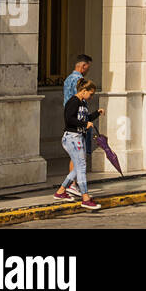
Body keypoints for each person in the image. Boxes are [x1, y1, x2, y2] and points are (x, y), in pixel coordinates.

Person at [53, 78, 103, 210]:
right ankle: (85, 198)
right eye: (90, 94)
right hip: (72, 137)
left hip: (78, 137)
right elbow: (69, 119)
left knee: (78, 167)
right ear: (83, 91)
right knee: (81, 167)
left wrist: (97, 113)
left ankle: (61, 191)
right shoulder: (73, 101)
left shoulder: (83, 103)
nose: (91, 97)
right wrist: (84, 124)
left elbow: (85, 119)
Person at [60, 54, 93, 196]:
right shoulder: (80, 80)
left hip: (70, 118)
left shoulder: (68, 79)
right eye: (88, 67)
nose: (87, 70)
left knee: (75, 156)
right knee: (79, 156)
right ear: (83, 66)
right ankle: (74, 185)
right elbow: (79, 100)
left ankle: (68, 186)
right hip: (78, 120)